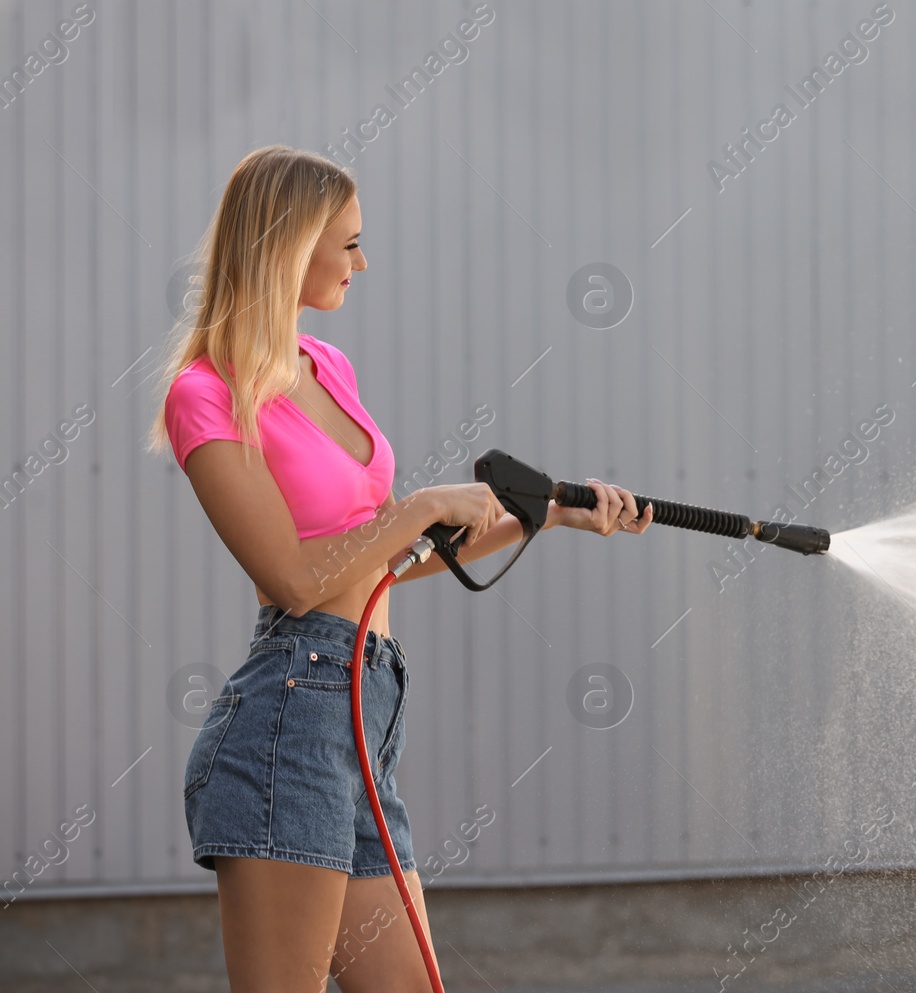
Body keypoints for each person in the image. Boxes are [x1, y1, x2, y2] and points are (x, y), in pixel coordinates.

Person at [146, 144, 653, 992]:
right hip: (290, 718)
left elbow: (380, 565)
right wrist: (417, 506)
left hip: (368, 715)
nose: (362, 260)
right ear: (286, 244)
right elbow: (296, 581)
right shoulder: (207, 392)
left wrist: (549, 514)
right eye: (346, 243)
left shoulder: (329, 369)